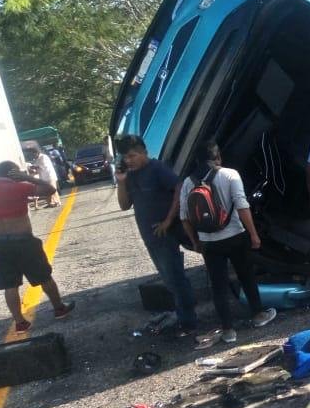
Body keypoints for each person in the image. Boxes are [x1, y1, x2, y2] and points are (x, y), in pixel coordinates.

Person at [180, 140, 276, 347]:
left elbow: (184, 217)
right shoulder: (230, 174)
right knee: (246, 275)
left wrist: (195, 241)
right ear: (217, 157)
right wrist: (254, 235)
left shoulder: (188, 182)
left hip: (208, 242)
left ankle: (228, 330)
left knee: (218, 285)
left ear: (196, 160)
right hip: (235, 237)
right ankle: (258, 315)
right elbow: (242, 205)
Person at [115, 135, 197, 336]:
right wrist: (121, 182)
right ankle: (184, 315)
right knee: (168, 278)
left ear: (144, 152)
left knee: (175, 277)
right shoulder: (130, 176)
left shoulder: (157, 168)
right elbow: (124, 205)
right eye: (125, 157)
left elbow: (179, 188)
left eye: (132, 156)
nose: (129, 160)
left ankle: (188, 321)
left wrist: (169, 219)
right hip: (151, 236)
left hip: (166, 232)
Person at [0, 161, 75, 332]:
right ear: (13, 173)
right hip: (24, 241)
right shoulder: (19, 186)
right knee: (44, 277)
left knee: (10, 285)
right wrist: (28, 177)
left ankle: (20, 322)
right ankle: (59, 308)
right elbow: (50, 189)